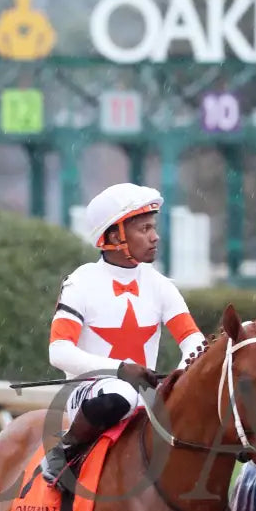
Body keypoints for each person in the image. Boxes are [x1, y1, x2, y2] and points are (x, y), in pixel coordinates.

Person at [41, 182, 206, 486]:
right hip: (90, 395)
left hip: (145, 394)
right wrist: (119, 369)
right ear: (114, 235)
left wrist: (181, 374)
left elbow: (194, 340)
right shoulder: (81, 283)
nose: (155, 236)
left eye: (153, 227)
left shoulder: (161, 285)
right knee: (122, 393)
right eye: (144, 229)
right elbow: (59, 351)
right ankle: (64, 451)